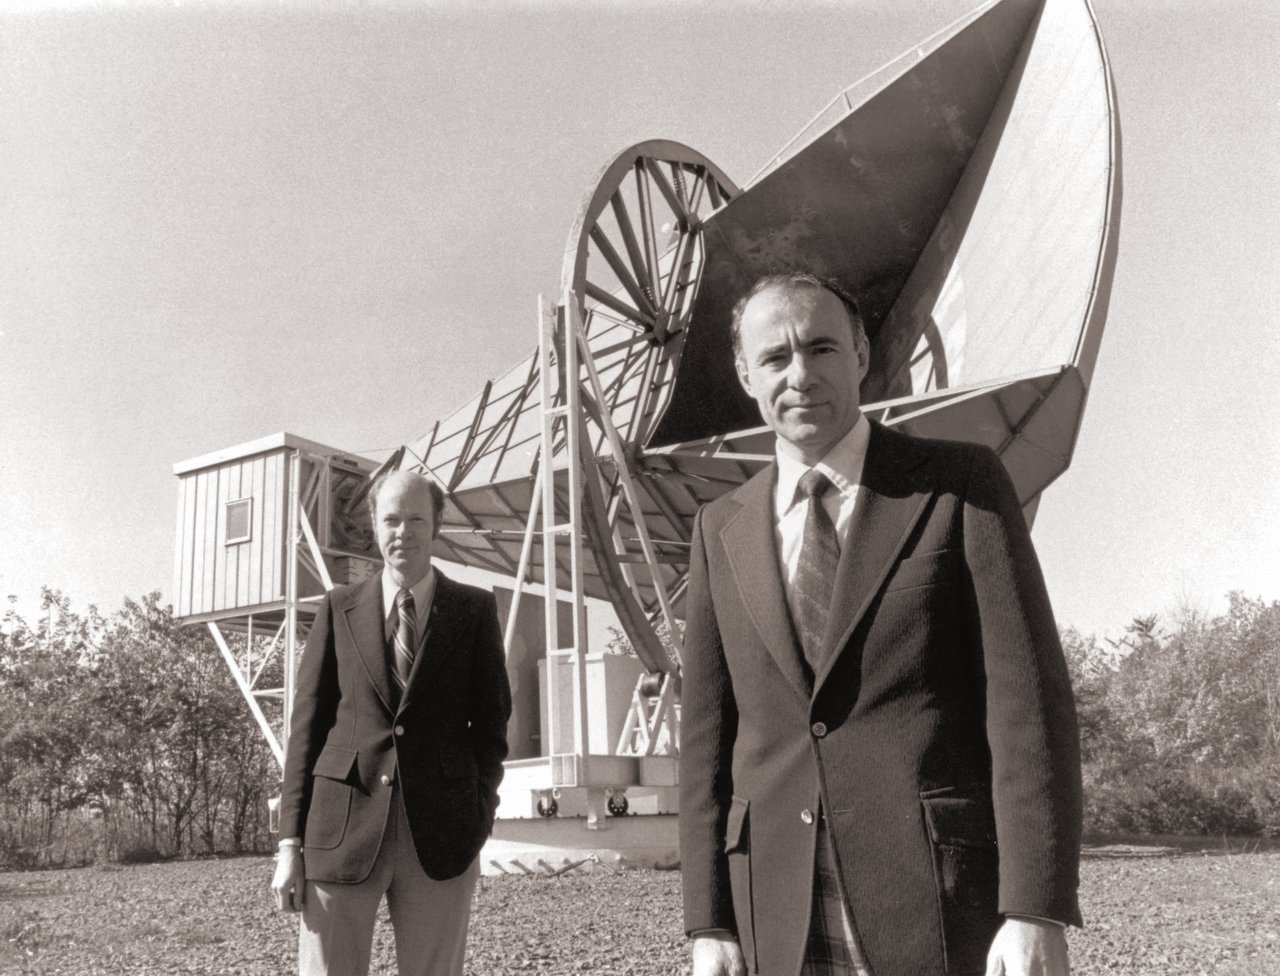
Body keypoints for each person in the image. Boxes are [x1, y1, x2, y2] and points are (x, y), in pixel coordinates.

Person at [679, 273, 1082, 976]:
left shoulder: (960, 487)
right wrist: (708, 919)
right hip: (774, 908)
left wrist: (1034, 907)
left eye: (822, 348)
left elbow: (1029, 709)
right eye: (775, 358)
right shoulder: (721, 528)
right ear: (745, 373)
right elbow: (706, 744)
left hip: (937, 899)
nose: (800, 375)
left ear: (862, 353)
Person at [271, 469, 511, 976]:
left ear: (437, 525)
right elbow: (306, 733)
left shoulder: (474, 611)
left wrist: (478, 820)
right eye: (392, 520)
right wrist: (289, 845)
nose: (403, 532)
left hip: (442, 839)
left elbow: (491, 731)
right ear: (376, 528)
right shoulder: (338, 609)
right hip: (339, 832)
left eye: (416, 519)